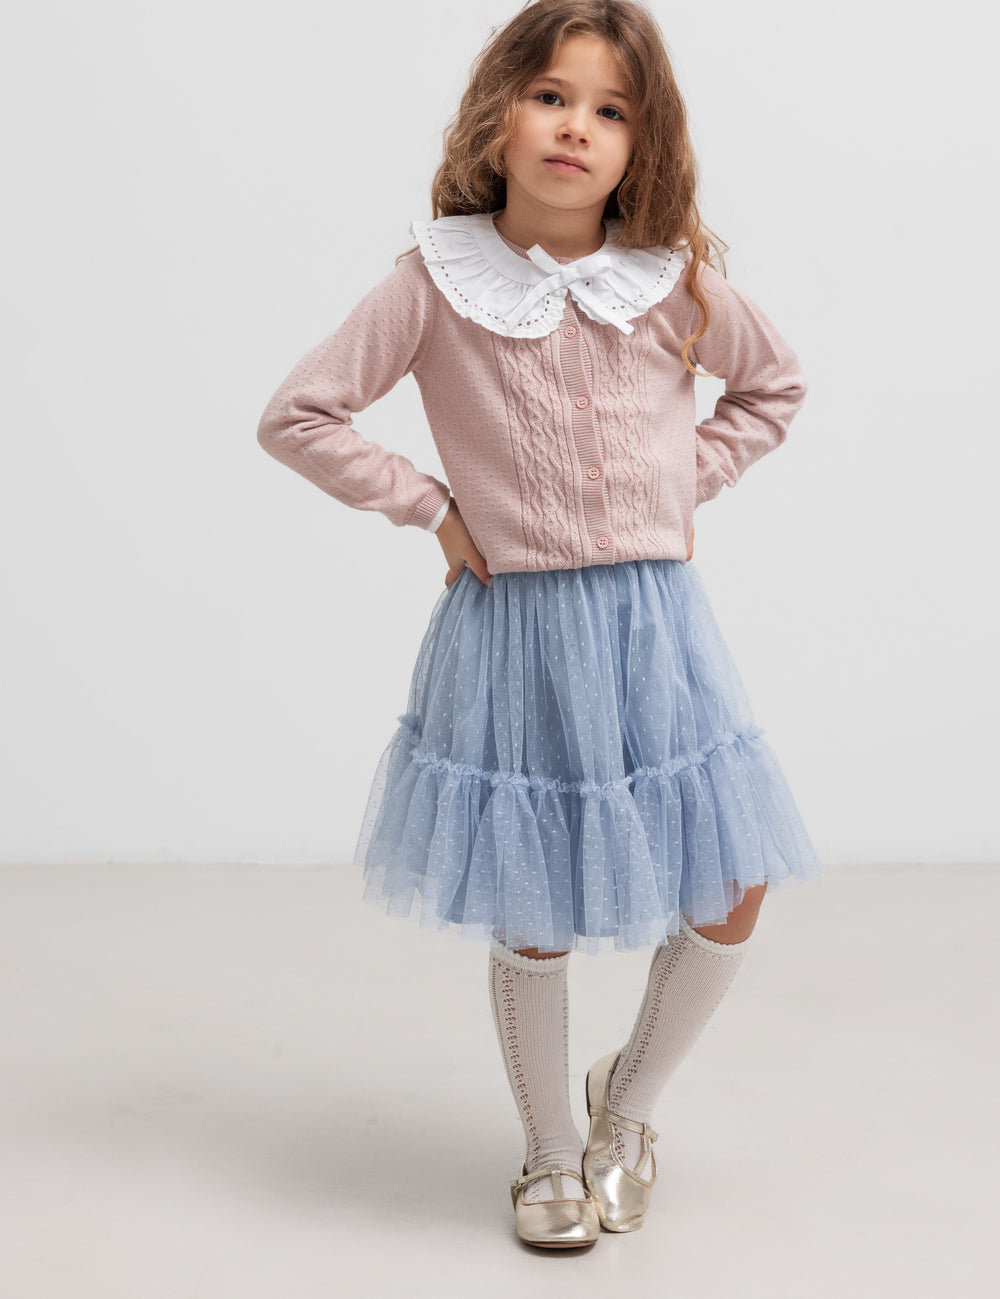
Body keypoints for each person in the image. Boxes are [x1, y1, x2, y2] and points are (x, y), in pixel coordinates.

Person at [256, 0, 823, 1252]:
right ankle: (548, 1153)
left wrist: (689, 478)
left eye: (610, 109)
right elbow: (299, 414)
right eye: (553, 95)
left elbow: (775, 386)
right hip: (514, 634)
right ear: (500, 111)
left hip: (655, 626)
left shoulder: (672, 278)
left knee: (730, 882)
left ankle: (624, 1106)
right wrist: (430, 508)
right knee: (537, 894)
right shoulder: (435, 280)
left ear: (643, 143)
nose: (576, 127)